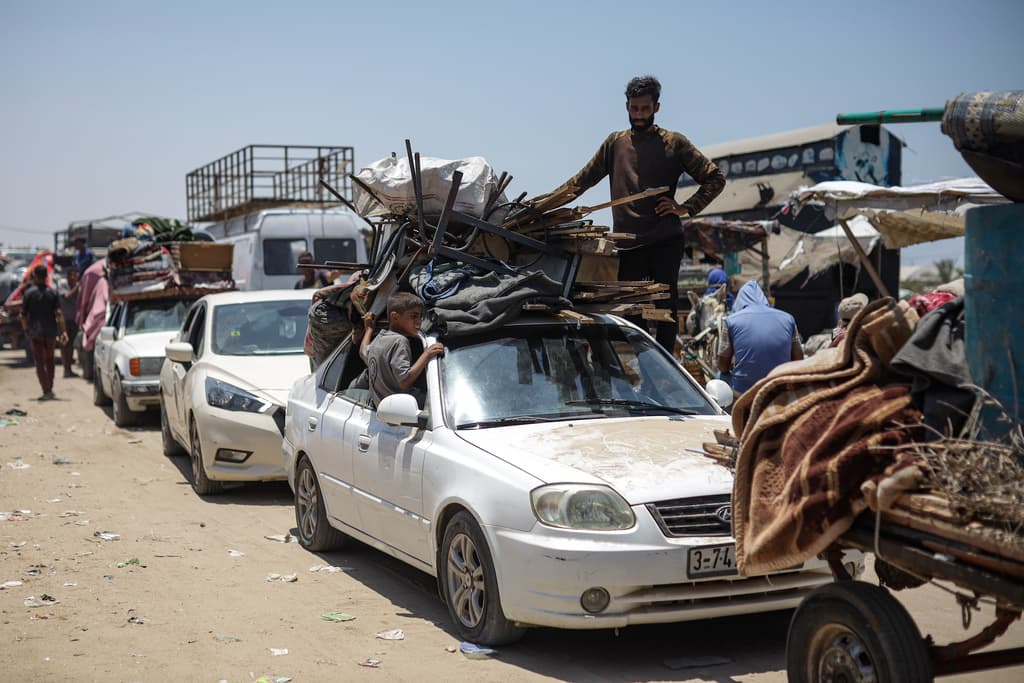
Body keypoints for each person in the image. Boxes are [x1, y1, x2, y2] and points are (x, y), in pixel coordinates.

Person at [536, 75, 725, 352]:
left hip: (665, 241)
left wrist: (685, 207)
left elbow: (715, 178)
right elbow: (581, 181)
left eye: (645, 109)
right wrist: (544, 206)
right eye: (634, 109)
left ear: (656, 108)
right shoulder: (615, 143)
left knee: (665, 310)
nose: (638, 115)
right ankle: (639, 366)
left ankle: (664, 368)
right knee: (631, 313)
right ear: (626, 106)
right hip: (628, 244)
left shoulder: (674, 143)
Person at [717, 279, 803, 395]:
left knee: (720, 376)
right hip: (780, 387)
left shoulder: (730, 321)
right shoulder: (788, 319)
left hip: (743, 391)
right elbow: (798, 359)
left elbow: (723, 366)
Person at [359, 292, 444, 407]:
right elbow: (404, 381)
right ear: (395, 317)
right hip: (398, 409)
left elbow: (363, 351)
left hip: (381, 405)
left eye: (420, 317)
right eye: (414, 316)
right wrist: (427, 354)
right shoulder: (399, 341)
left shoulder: (379, 339)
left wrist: (369, 329)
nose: (419, 321)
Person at [20, 265, 68, 400]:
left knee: (39, 362)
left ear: (34, 276)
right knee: (49, 359)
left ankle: (46, 389)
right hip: (51, 331)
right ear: (46, 276)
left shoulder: (29, 293)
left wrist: (25, 329)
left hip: (35, 332)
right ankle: (50, 387)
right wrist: (64, 331)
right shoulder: (52, 293)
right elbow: (58, 313)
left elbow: (23, 315)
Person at [56, 267, 80, 377]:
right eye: (71, 275)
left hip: (74, 319)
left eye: (74, 275)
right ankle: (66, 369)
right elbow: (67, 296)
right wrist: (77, 286)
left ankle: (69, 368)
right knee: (65, 344)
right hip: (64, 320)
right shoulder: (63, 285)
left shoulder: (78, 287)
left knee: (71, 345)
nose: (72, 278)